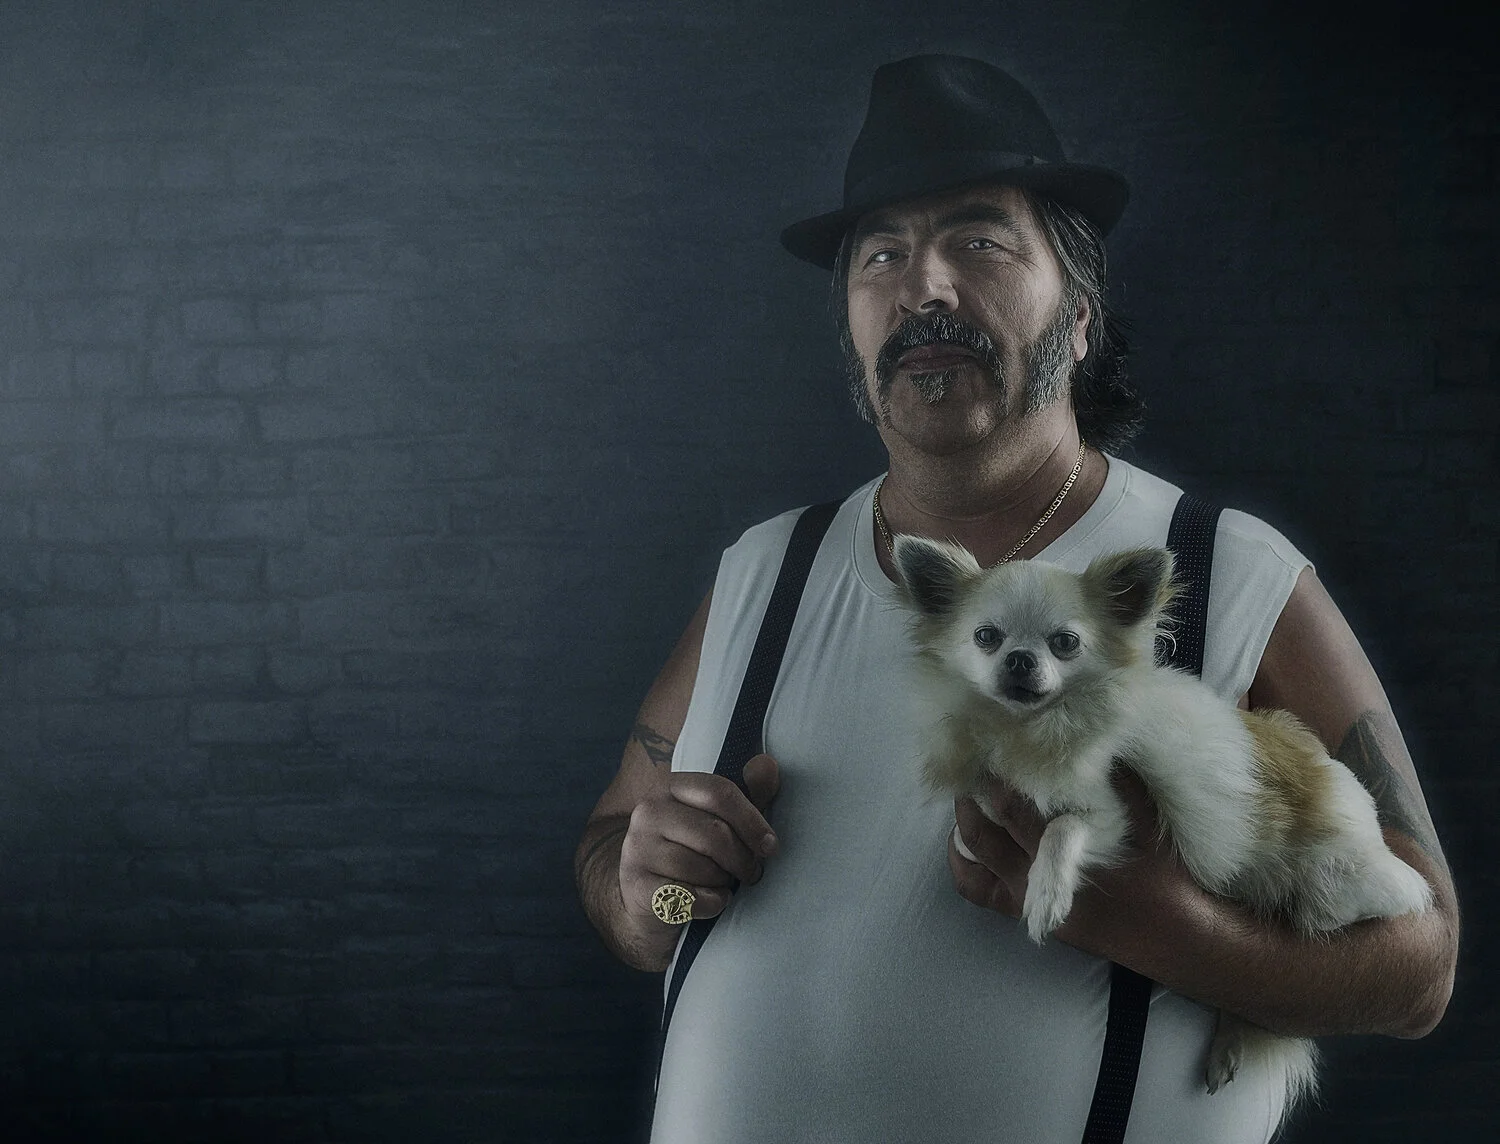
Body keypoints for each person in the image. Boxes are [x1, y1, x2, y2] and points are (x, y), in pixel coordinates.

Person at [574, 55, 1458, 1142]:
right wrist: (649, 891)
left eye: (979, 241)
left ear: (1080, 317)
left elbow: (1420, 970)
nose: (924, 286)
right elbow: (642, 907)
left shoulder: (1227, 569)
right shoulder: (766, 569)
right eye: (882, 254)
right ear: (851, 331)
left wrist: (1165, 929)